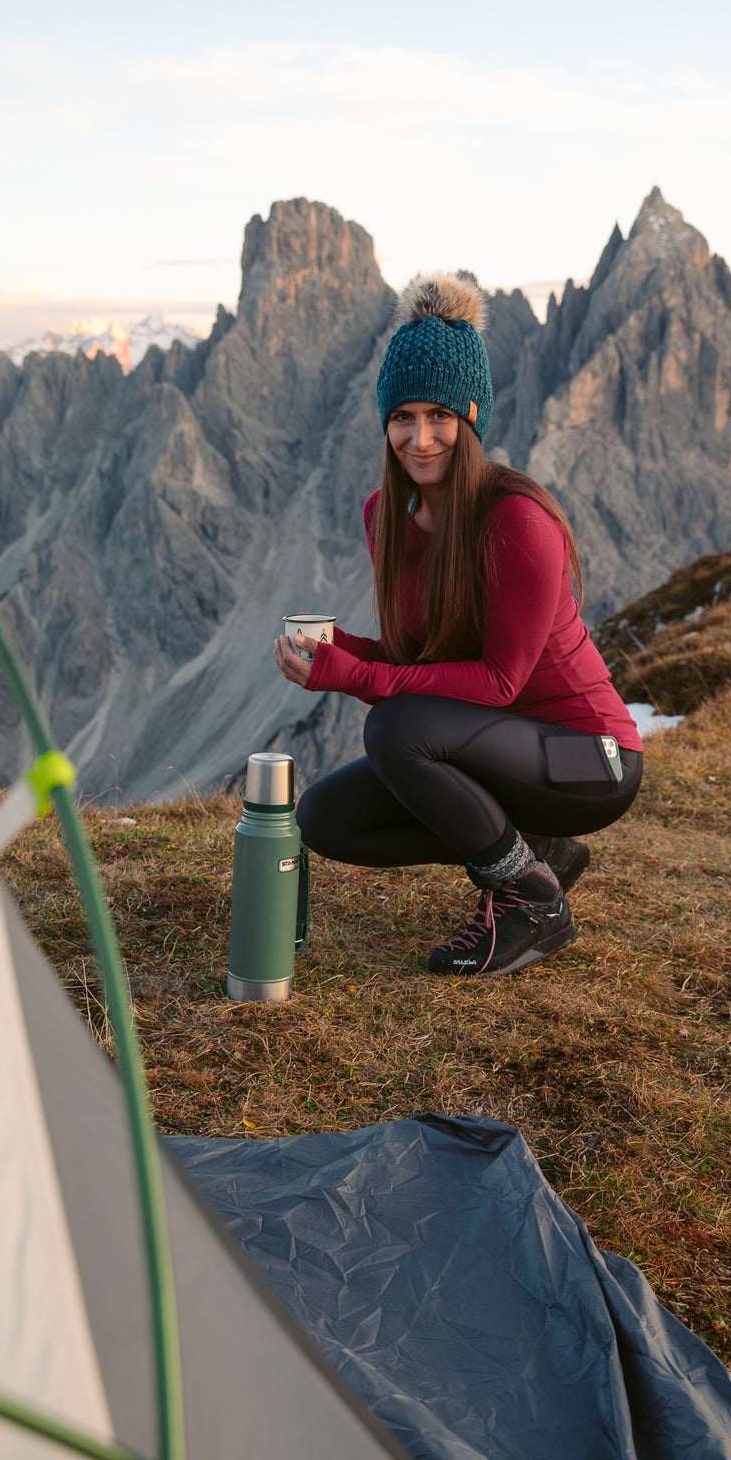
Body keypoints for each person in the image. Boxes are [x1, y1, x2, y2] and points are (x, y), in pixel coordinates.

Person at [273, 272, 643, 978]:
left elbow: (498, 680)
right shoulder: (385, 516)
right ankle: (544, 853)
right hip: (499, 747)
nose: (421, 438)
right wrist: (334, 650)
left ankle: (528, 896)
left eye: (440, 416)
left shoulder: (517, 520)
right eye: (402, 417)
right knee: (323, 817)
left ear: (471, 417)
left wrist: (354, 678)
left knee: (392, 726)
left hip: (593, 759)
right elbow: (425, 658)